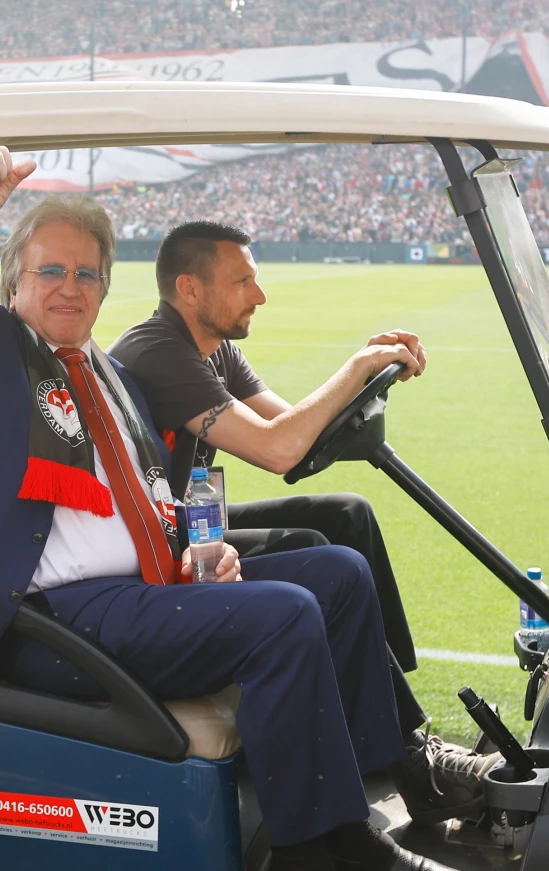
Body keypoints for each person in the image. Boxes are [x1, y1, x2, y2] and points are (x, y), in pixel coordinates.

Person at [0, 146, 468, 871]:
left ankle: (374, 790)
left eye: (87, 275)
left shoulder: (107, 375)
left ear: (106, 289)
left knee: (337, 572)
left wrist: (201, 555)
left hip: (138, 592)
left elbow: (153, 497)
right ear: (14, 282)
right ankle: (313, 862)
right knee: (285, 617)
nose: (69, 288)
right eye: (51, 271)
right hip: (48, 621)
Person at [109, 221, 490, 827]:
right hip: (165, 545)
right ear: (189, 289)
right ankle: (414, 759)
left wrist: (362, 383)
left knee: (346, 514)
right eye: (242, 282)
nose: (258, 296)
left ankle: (389, 725)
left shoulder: (214, 350)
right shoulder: (158, 353)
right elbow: (278, 449)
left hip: (188, 520)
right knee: (318, 547)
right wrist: (357, 366)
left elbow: (297, 431)